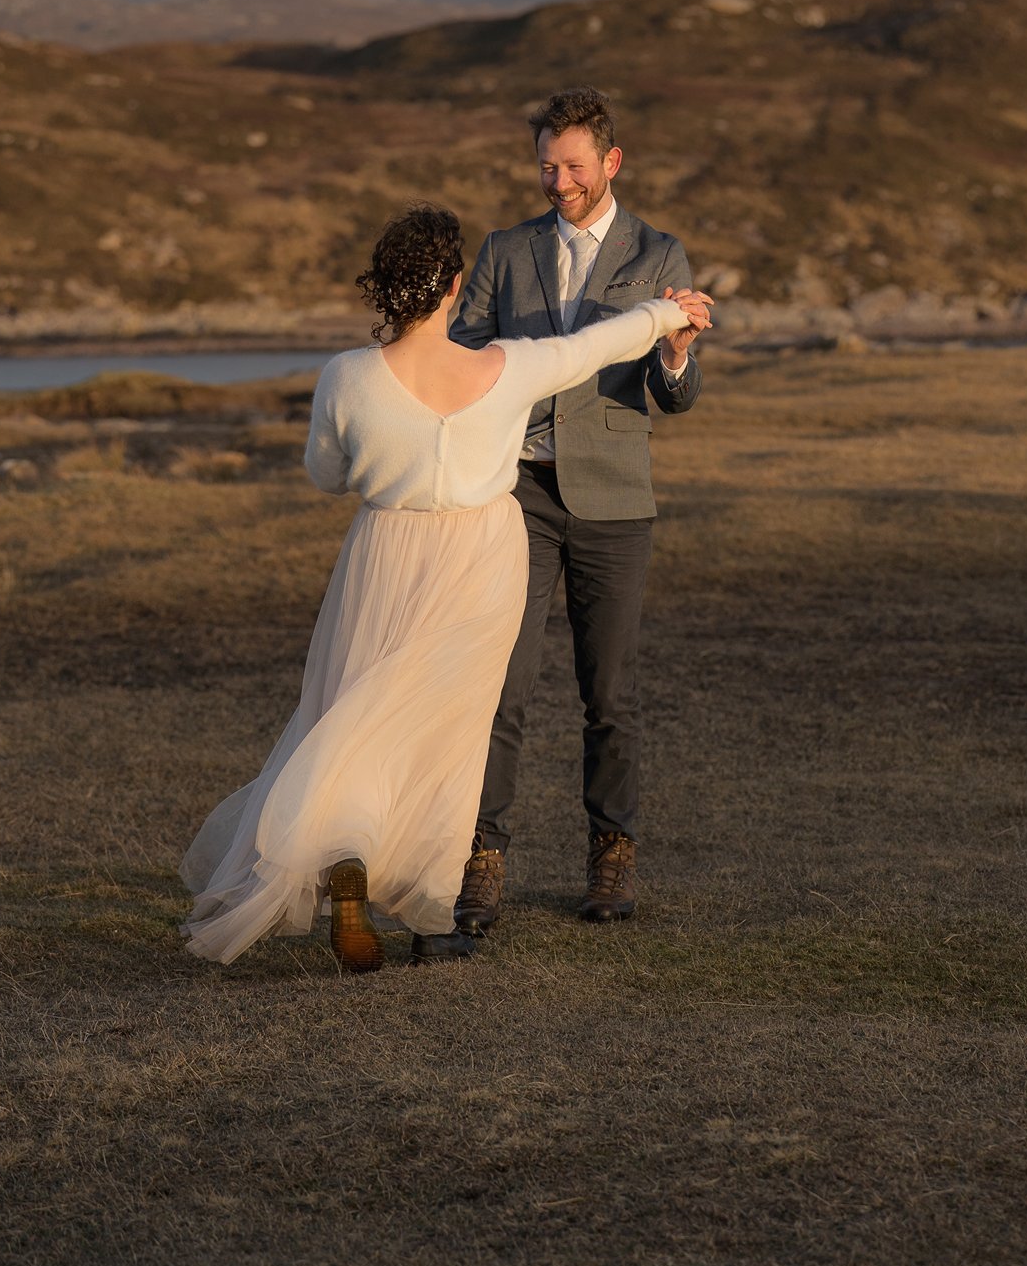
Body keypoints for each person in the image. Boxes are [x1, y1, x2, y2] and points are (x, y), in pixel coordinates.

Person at [178, 202, 706, 973]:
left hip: (385, 553)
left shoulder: (347, 376)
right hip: (482, 557)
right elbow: (596, 345)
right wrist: (667, 311)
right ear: (455, 286)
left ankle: (349, 850)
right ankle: (430, 912)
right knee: (452, 738)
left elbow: (326, 475)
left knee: (357, 709)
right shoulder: (508, 365)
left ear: (386, 290)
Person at [449, 87, 710, 931]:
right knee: (501, 687)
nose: (556, 181)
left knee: (610, 693)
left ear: (610, 163)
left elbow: (677, 398)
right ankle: (480, 858)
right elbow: (461, 365)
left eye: (570, 166)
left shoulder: (660, 254)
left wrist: (672, 356)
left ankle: (611, 856)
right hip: (516, 496)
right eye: (545, 166)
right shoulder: (502, 250)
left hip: (614, 503)